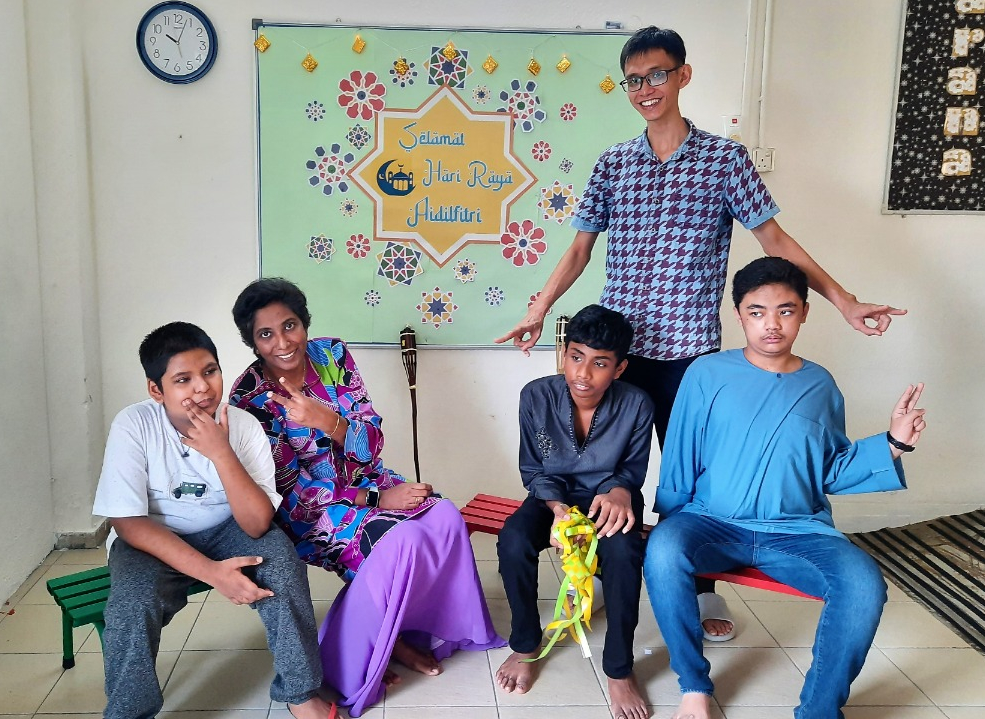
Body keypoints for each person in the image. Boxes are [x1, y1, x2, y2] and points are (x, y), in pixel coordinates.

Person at [496, 25, 906, 640]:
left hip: (690, 357)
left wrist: (842, 301)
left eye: (656, 75)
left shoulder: (724, 160)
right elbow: (580, 249)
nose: (645, 89)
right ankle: (611, 573)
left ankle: (703, 591)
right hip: (622, 355)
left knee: (693, 477)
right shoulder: (614, 163)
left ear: (683, 75)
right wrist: (539, 306)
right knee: (608, 469)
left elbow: (775, 241)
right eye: (634, 80)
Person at [643, 257, 927, 719]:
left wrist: (893, 443)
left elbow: (830, 470)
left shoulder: (821, 385)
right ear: (739, 316)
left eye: (785, 311)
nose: (771, 325)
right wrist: (666, 525)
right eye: (757, 312)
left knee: (863, 583)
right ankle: (693, 686)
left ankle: (818, 712)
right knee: (664, 550)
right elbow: (679, 458)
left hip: (797, 533)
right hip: (712, 522)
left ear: (805, 312)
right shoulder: (706, 373)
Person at [227, 277, 504, 717]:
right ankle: (340, 662)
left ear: (305, 323)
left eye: (290, 325)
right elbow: (291, 491)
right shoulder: (251, 398)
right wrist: (375, 500)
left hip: (372, 481)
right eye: (266, 334)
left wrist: (328, 421)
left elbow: (371, 440)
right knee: (401, 542)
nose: (283, 342)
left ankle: (405, 636)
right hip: (312, 511)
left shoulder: (331, 355)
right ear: (253, 342)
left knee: (445, 517)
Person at [92, 322, 337, 719]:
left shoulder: (241, 426)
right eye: (183, 379)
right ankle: (129, 712)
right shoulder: (134, 425)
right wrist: (212, 573)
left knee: (284, 569)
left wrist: (221, 453)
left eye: (210, 371)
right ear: (157, 390)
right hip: (154, 537)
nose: (202, 388)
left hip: (229, 529)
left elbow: (257, 525)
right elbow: (129, 524)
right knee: (130, 605)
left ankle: (301, 692)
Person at [495, 304, 653, 719]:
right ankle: (526, 646)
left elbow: (631, 471)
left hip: (611, 497)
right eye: (576, 357)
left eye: (600, 364)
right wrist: (557, 509)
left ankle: (619, 670)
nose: (583, 374)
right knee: (513, 540)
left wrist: (620, 490)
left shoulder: (637, 404)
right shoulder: (536, 395)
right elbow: (533, 468)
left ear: (619, 369)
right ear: (564, 353)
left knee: (622, 554)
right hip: (554, 495)